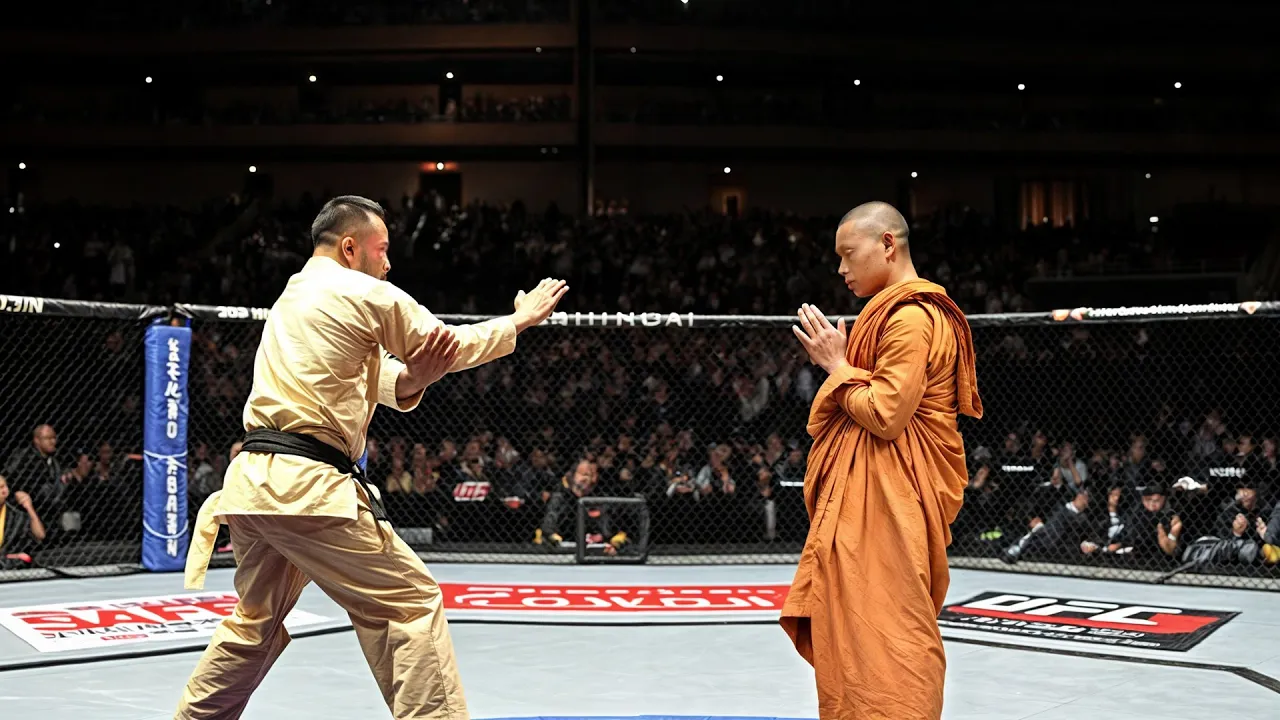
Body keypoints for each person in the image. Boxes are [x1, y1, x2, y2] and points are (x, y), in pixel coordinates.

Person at [177, 195, 568, 720]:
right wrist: (518, 321)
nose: (388, 263)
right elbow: (445, 345)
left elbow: (388, 378)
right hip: (307, 487)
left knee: (255, 623)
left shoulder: (292, 300)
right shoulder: (362, 291)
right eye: (381, 250)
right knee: (411, 604)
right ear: (350, 247)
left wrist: (418, 377)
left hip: (253, 486)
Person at [782, 201, 982, 720]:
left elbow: (885, 414)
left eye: (848, 254)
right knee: (865, 624)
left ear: (887, 244)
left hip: (893, 498)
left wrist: (836, 364)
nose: (841, 268)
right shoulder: (893, 313)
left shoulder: (911, 319)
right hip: (882, 494)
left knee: (892, 626)